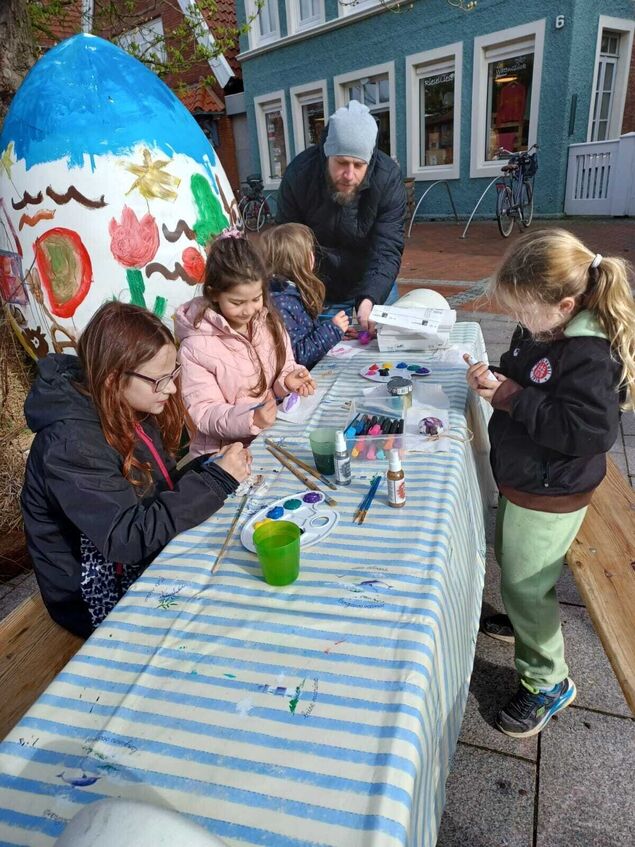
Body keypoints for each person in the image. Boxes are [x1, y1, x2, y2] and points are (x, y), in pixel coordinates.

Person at [465, 228, 635, 738]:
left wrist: (512, 397)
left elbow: (586, 432)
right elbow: (530, 376)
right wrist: (498, 379)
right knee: (512, 561)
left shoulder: (588, 353)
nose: (518, 320)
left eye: (523, 310)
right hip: (528, 480)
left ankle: (547, 680)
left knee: (526, 582)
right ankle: (524, 620)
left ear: (563, 305)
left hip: (553, 490)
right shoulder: (546, 327)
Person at [21, 302, 252, 638]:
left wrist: (209, 468)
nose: (172, 389)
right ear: (114, 378)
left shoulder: (123, 404)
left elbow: (156, 489)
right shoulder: (70, 445)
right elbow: (125, 537)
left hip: (135, 552)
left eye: (173, 374)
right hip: (94, 592)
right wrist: (216, 481)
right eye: (161, 380)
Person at [175, 230, 315, 456]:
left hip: (266, 439)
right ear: (213, 294)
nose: (248, 310)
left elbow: (283, 365)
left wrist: (288, 380)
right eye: (237, 302)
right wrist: (252, 417)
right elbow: (205, 413)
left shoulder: (268, 322)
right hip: (224, 454)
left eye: (256, 299)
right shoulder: (195, 347)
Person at [276, 99, 406, 332]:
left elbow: (387, 248)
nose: (349, 174)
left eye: (358, 165)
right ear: (328, 153)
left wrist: (370, 298)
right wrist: (304, 292)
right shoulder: (299, 175)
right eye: (341, 162)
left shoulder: (387, 178)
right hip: (318, 291)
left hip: (373, 282)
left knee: (386, 349)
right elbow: (287, 245)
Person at [260, 222, 349, 370]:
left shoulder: (289, 291)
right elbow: (296, 355)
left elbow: (304, 332)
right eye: (310, 252)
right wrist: (331, 331)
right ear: (304, 259)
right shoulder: (281, 302)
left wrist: (335, 330)